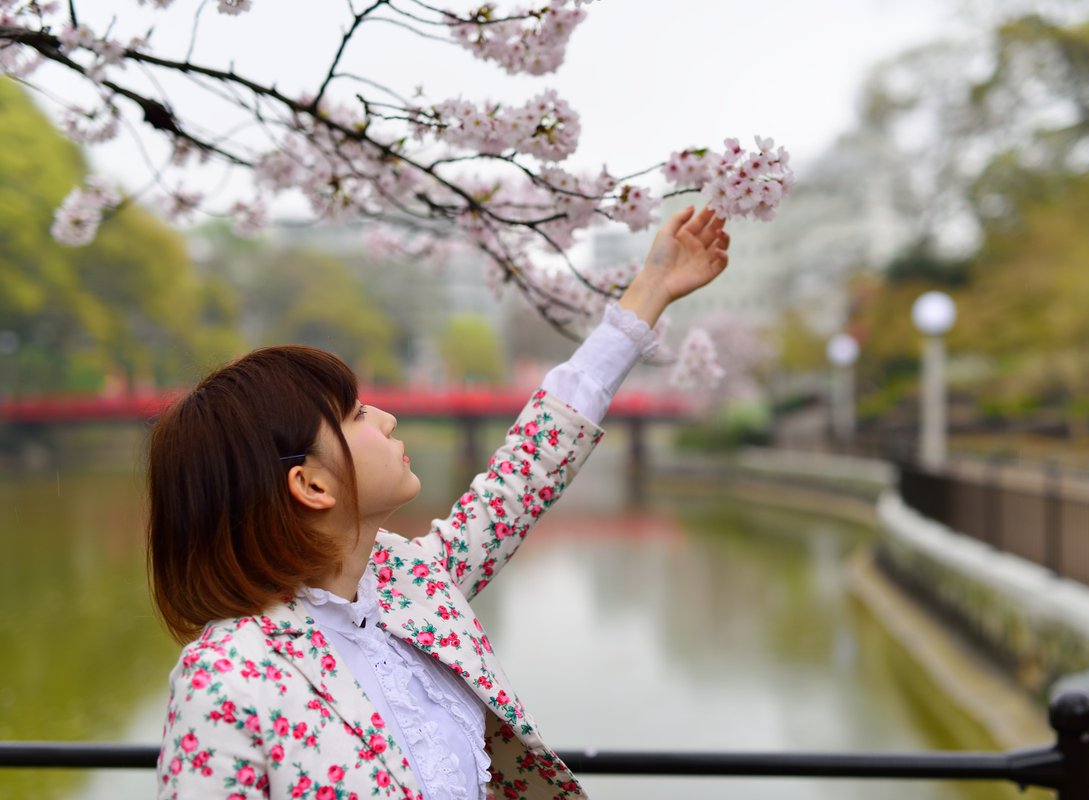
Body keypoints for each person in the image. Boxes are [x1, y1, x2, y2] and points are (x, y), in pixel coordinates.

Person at [151, 206, 730, 800]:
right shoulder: (226, 677)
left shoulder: (409, 584)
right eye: (355, 415)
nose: (387, 417)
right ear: (312, 486)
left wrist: (651, 289)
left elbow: (527, 470)